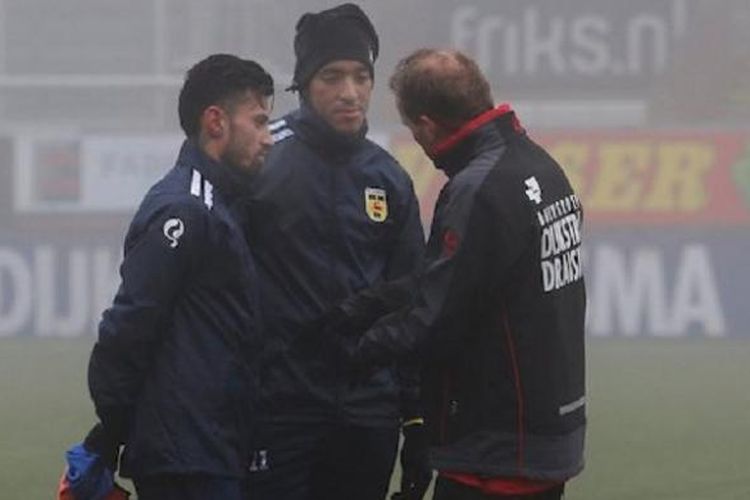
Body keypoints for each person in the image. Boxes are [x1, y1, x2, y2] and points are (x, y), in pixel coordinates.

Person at [347, 49, 587, 499]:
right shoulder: (541, 166)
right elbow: (467, 278)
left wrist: (351, 353)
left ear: (426, 125)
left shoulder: (477, 187)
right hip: (549, 438)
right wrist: (373, 303)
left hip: (496, 447)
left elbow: (436, 318)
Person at [244, 4, 428, 500]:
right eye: (332, 76)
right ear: (303, 84)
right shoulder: (260, 161)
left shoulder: (389, 178)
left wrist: (416, 419)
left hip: (367, 412)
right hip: (277, 409)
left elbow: (413, 303)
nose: (350, 92)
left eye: (361, 76)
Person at [85, 53, 274, 500]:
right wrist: (111, 430)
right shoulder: (185, 209)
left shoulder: (222, 206)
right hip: (187, 458)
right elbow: (127, 328)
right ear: (216, 122)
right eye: (260, 122)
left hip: (214, 449)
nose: (269, 139)